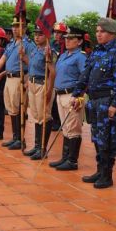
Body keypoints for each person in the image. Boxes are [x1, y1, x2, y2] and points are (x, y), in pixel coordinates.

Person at [70, 18, 116, 189]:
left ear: (111, 33)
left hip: (107, 101)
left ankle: (107, 174)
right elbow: (85, 74)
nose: (98, 34)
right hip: (94, 100)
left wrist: (115, 104)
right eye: (97, 31)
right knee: (97, 137)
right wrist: (76, 93)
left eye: (102, 31)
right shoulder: (97, 52)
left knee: (107, 139)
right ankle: (99, 170)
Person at [0, 16, 36, 150]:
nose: (14, 29)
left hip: (20, 78)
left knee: (18, 108)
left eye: (17, 26)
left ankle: (21, 139)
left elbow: (33, 65)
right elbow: (1, 61)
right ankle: (15, 137)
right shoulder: (11, 44)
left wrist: (27, 78)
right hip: (9, 78)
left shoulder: (29, 45)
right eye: (13, 26)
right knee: (11, 108)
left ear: (24, 28)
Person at [49, 28, 87, 170]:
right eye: (66, 38)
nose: (67, 40)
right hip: (60, 94)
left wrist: (80, 97)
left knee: (73, 127)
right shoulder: (64, 55)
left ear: (80, 41)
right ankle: (65, 157)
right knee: (65, 128)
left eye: (71, 38)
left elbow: (85, 77)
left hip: (72, 95)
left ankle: (72, 160)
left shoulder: (81, 57)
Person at [22, 26, 56, 160]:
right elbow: (33, 66)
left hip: (43, 84)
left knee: (44, 116)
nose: (37, 37)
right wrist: (24, 57)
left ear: (47, 36)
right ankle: (37, 146)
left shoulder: (49, 52)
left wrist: (49, 90)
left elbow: (52, 73)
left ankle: (43, 148)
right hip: (33, 83)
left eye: (40, 35)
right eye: (36, 34)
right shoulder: (35, 50)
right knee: (36, 115)